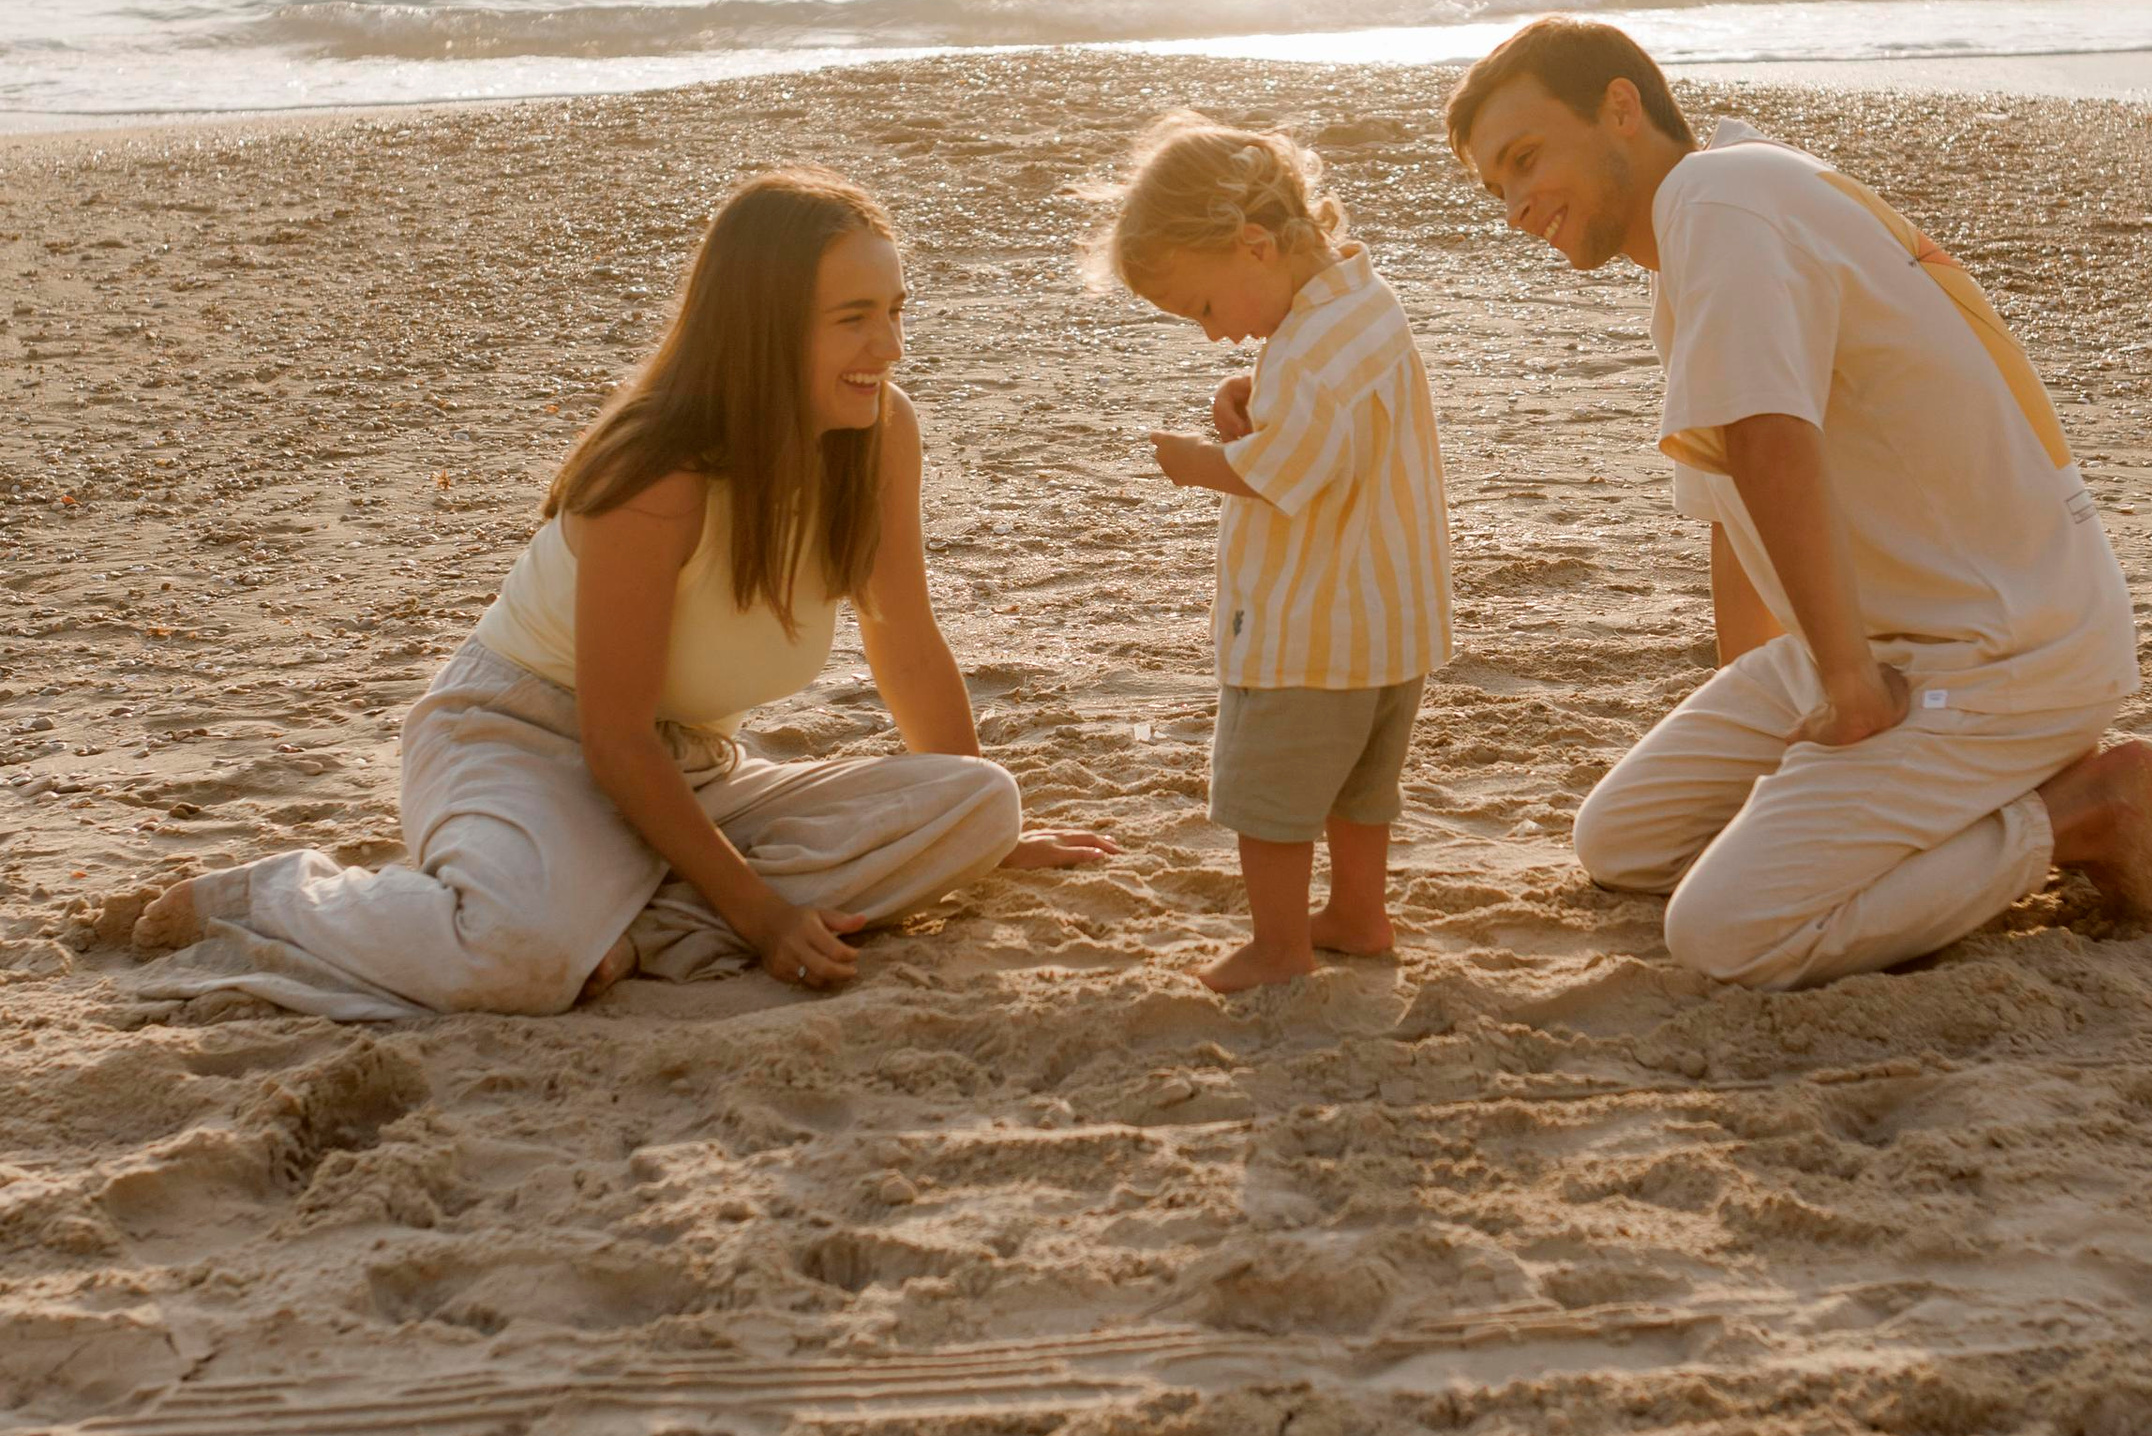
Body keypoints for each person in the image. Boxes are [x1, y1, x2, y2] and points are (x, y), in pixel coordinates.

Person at [122, 170, 1108, 1021]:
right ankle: (270, 900)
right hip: (521, 743)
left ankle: (633, 930)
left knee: (978, 805)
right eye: (854, 320)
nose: (888, 349)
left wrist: (992, 843)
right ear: (763, 327)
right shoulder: (662, 473)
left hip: (689, 768)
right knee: (519, 960)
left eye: (895, 312)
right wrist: (761, 918)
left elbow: (904, 637)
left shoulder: (880, 433)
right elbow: (611, 739)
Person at [1445, 17, 2152, 992]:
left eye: (1526, 157)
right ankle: (1961, 791)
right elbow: (1731, 505)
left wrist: (1849, 693)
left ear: (1620, 106)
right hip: (1886, 629)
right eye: (1496, 184)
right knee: (1622, 842)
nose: (1514, 205)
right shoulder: (1721, 201)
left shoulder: (1721, 203)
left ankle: (2085, 809)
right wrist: (1777, 713)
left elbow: (1770, 445)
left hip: (2002, 646)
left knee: (1724, 934)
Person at [1093, 114, 1452, 992]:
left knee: (1271, 797)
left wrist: (1199, 463)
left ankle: (1279, 947)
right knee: (1361, 791)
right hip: (1390, 618)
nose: (1215, 334)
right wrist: (1257, 396)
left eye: (1204, 309)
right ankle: (1361, 917)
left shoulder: (1305, 354)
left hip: (1310, 628)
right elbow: (1336, 431)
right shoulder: (1362, 300)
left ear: (1254, 246)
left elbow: (1287, 472)